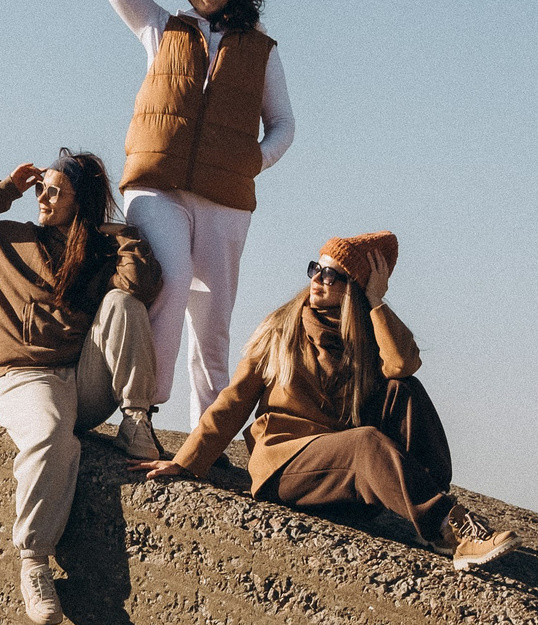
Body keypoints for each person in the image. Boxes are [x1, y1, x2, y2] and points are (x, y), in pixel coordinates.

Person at [138, 232, 517, 569]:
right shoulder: (281, 328)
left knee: (404, 389)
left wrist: (376, 300)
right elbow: (234, 401)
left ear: (354, 287)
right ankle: (448, 527)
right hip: (287, 465)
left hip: (341, 480)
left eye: (332, 274)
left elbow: (402, 364)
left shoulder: (365, 335)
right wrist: (185, 462)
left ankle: (433, 505)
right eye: (315, 269)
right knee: (365, 441)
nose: (318, 279)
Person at [0, 152, 164, 625]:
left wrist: (123, 237)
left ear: (80, 201)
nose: (43, 197)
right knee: (50, 436)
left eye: (55, 191)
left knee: (123, 305)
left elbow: (138, 286)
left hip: (82, 380)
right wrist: (7, 188)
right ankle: (34, 562)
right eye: (42, 188)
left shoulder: (96, 252)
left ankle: (136, 420)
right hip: (24, 377)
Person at [101, 0, 297, 428]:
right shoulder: (160, 26)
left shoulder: (261, 49)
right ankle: (140, 411)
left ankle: (205, 434)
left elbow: (283, 124)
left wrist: (253, 162)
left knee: (212, 320)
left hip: (225, 199)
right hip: (156, 185)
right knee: (168, 282)